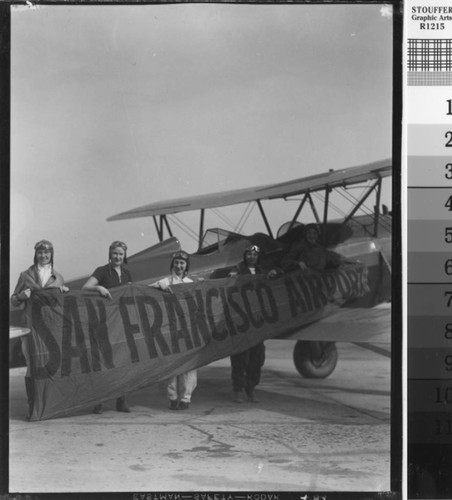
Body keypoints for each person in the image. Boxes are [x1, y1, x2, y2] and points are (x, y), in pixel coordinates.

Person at [11, 239, 69, 420]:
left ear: (52, 254)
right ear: (35, 254)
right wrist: (21, 295)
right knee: (31, 366)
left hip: (49, 328)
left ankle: (48, 407)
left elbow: (59, 305)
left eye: (47, 252)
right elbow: (13, 300)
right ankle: (33, 409)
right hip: (30, 327)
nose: (43, 256)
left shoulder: (58, 277)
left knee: (50, 366)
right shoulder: (25, 275)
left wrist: (63, 293)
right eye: (40, 252)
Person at [82, 240, 132, 414]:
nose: (117, 257)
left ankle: (121, 400)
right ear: (110, 254)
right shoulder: (102, 271)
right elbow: (85, 287)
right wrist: (99, 288)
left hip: (121, 322)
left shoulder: (126, 274)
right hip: (104, 321)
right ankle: (99, 401)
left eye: (120, 254)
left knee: (122, 360)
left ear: (124, 255)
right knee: (104, 360)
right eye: (115, 253)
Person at [151, 250, 197, 410]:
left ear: (186, 266)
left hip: (188, 329)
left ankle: (185, 398)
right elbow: (147, 290)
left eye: (182, 263)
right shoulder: (165, 281)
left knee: (189, 366)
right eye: (176, 263)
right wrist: (158, 286)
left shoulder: (191, 283)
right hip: (169, 329)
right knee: (171, 364)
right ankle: (172, 397)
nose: (179, 266)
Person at [228, 244, 268, 403]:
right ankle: (237, 389)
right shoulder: (237, 270)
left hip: (257, 321)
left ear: (258, 257)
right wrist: (231, 276)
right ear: (245, 256)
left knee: (257, 356)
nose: (252, 257)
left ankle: (250, 388)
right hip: (242, 319)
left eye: (254, 254)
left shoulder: (261, 272)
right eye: (249, 254)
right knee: (239, 357)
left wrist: (276, 272)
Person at [280, 223, 344, 273]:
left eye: (314, 233)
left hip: (319, 281)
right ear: (305, 235)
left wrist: (341, 259)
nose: (312, 235)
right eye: (309, 233)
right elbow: (284, 262)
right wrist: (297, 264)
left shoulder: (321, 248)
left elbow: (332, 256)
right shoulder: (299, 246)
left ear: (317, 235)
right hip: (304, 280)